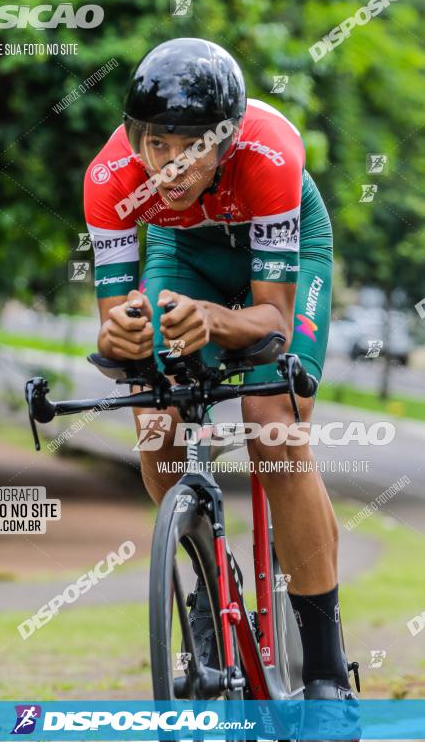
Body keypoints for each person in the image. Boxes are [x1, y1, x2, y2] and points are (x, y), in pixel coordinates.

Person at [84, 37, 356, 701]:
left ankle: (324, 669)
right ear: (134, 137)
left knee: (274, 426)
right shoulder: (109, 179)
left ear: (224, 142)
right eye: (157, 146)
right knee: (155, 416)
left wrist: (210, 320)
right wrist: (124, 331)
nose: (169, 168)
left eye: (192, 147)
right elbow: (118, 331)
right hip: (184, 252)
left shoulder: (268, 154)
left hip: (280, 249)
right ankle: (206, 588)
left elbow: (269, 320)